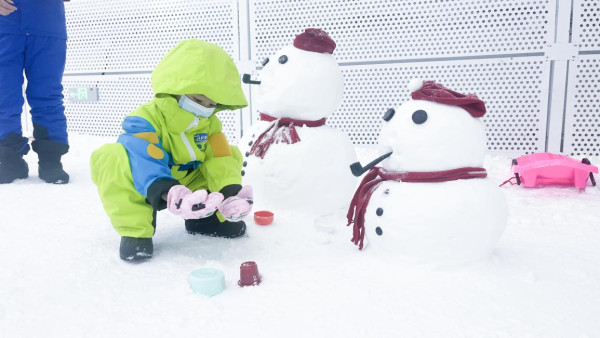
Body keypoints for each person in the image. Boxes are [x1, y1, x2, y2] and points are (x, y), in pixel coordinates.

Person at [90, 39, 253, 262]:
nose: (204, 108)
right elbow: (144, 156)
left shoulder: (211, 123)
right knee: (113, 157)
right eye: (197, 99)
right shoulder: (144, 119)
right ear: (175, 89)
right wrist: (169, 191)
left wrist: (230, 191)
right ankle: (135, 233)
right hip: (151, 182)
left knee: (229, 151)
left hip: (191, 180)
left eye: (211, 104)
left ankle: (205, 220)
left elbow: (220, 157)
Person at [0, 0, 70, 184]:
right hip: (4, 24)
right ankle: (8, 158)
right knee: (3, 94)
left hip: (46, 23)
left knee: (47, 94)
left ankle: (51, 159)